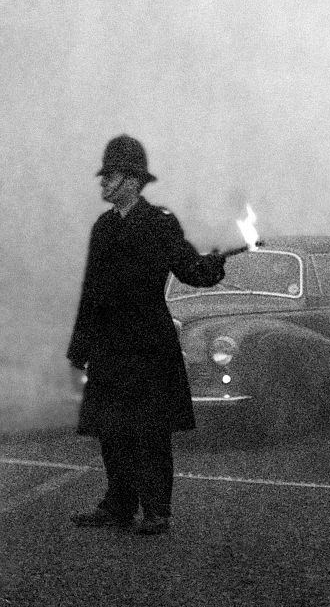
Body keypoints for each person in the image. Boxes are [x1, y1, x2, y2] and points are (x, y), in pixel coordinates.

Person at [67, 134, 226, 535]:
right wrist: (80, 346)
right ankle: (119, 505)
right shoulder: (103, 227)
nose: (104, 181)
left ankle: (156, 510)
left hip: (147, 342)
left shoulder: (160, 222)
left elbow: (189, 269)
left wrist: (212, 265)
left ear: (133, 180)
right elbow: (91, 290)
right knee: (112, 429)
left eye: (112, 175)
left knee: (150, 430)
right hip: (109, 343)